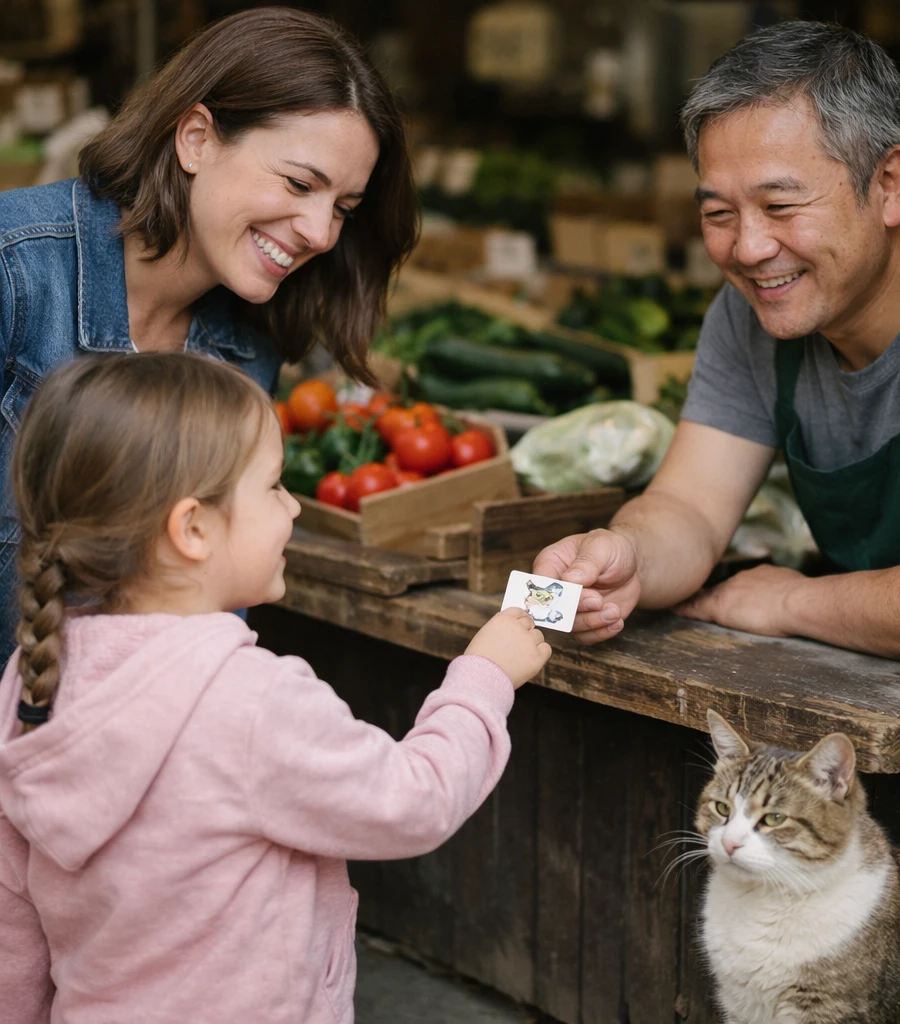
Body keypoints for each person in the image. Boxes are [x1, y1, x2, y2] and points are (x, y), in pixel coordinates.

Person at [0, 352, 551, 1024]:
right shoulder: (250, 701)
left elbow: (13, 924)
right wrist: (484, 676)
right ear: (193, 528)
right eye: (273, 487)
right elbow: (415, 799)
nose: (293, 505)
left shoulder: (32, 676)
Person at [0, 6, 418, 662]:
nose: (321, 233)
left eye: (342, 207)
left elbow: (208, 616)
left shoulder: (245, 351)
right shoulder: (14, 270)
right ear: (195, 138)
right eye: (299, 182)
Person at [535, 21, 900, 662]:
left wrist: (793, 602)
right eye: (718, 214)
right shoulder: (750, 314)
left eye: (781, 207)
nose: (749, 249)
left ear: (889, 184)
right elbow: (691, 508)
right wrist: (627, 556)